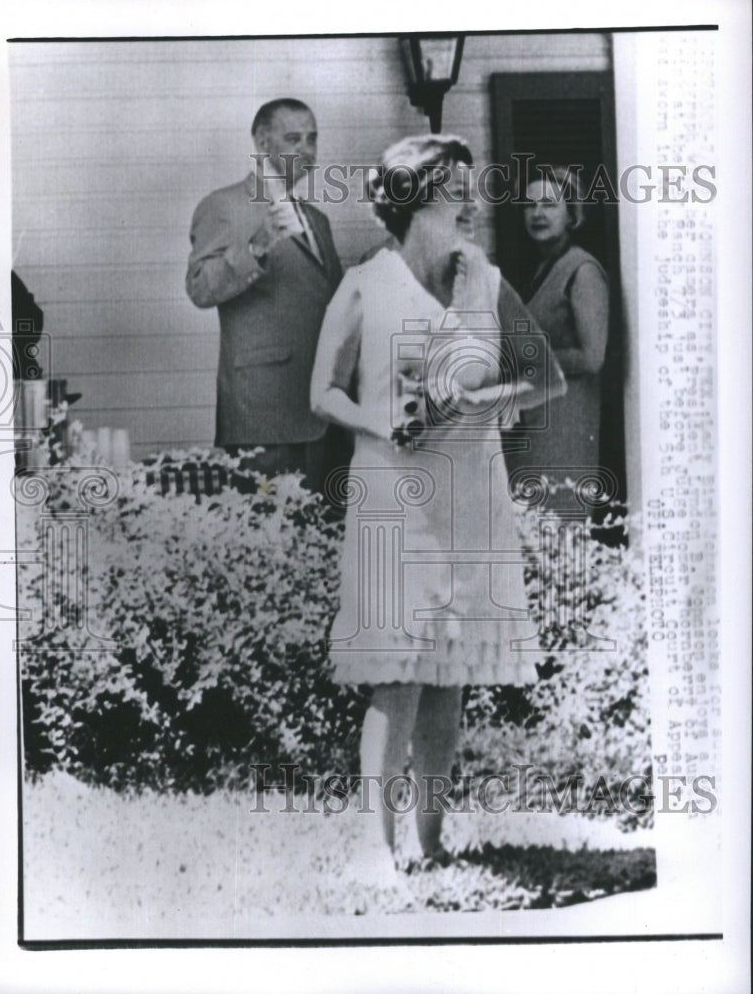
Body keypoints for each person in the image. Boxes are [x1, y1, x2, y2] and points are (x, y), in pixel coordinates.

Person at [310, 135, 566, 875]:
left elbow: (545, 376)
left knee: (449, 673)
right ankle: (374, 850)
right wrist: (381, 420)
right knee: (398, 672)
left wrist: (480, 400)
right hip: (395, 494)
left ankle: (429, 840)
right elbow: (323, 393)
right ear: (420, 200)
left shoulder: (483, 280)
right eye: (459, 189)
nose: (474, 202)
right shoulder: (365, 283)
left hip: (471, 490)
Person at [185, 98, 344, 493]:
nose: (307, 150)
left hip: (325, 412)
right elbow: (201, 288)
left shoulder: (316, 219)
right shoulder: (223, 206)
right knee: (267, 544)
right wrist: (256, 247)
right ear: (261, 141)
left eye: (312, 139)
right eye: (294, 138)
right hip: (264, 418)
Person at [504, 166, 609, 508]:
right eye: (529, 205)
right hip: (534, 422)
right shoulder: (540, 267)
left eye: (549, 204)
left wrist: (528, 361)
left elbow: (593, 357)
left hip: (566, 425)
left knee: (558, 531)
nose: (537, 213)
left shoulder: (583, 270)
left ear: (572, 213)